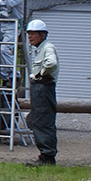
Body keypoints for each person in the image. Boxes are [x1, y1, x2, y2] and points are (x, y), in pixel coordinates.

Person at [25, 18, 60, 166]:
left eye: (33, 33)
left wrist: (42, 73)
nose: (30, 37)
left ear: (43, 35)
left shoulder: (48, 48)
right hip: (40, 89)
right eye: (29, 33)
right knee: (38, 121)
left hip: (43, 88)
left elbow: (52, 63)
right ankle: (45, 155)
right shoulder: (40, 49)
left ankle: (47, 157)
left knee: (43, 122)